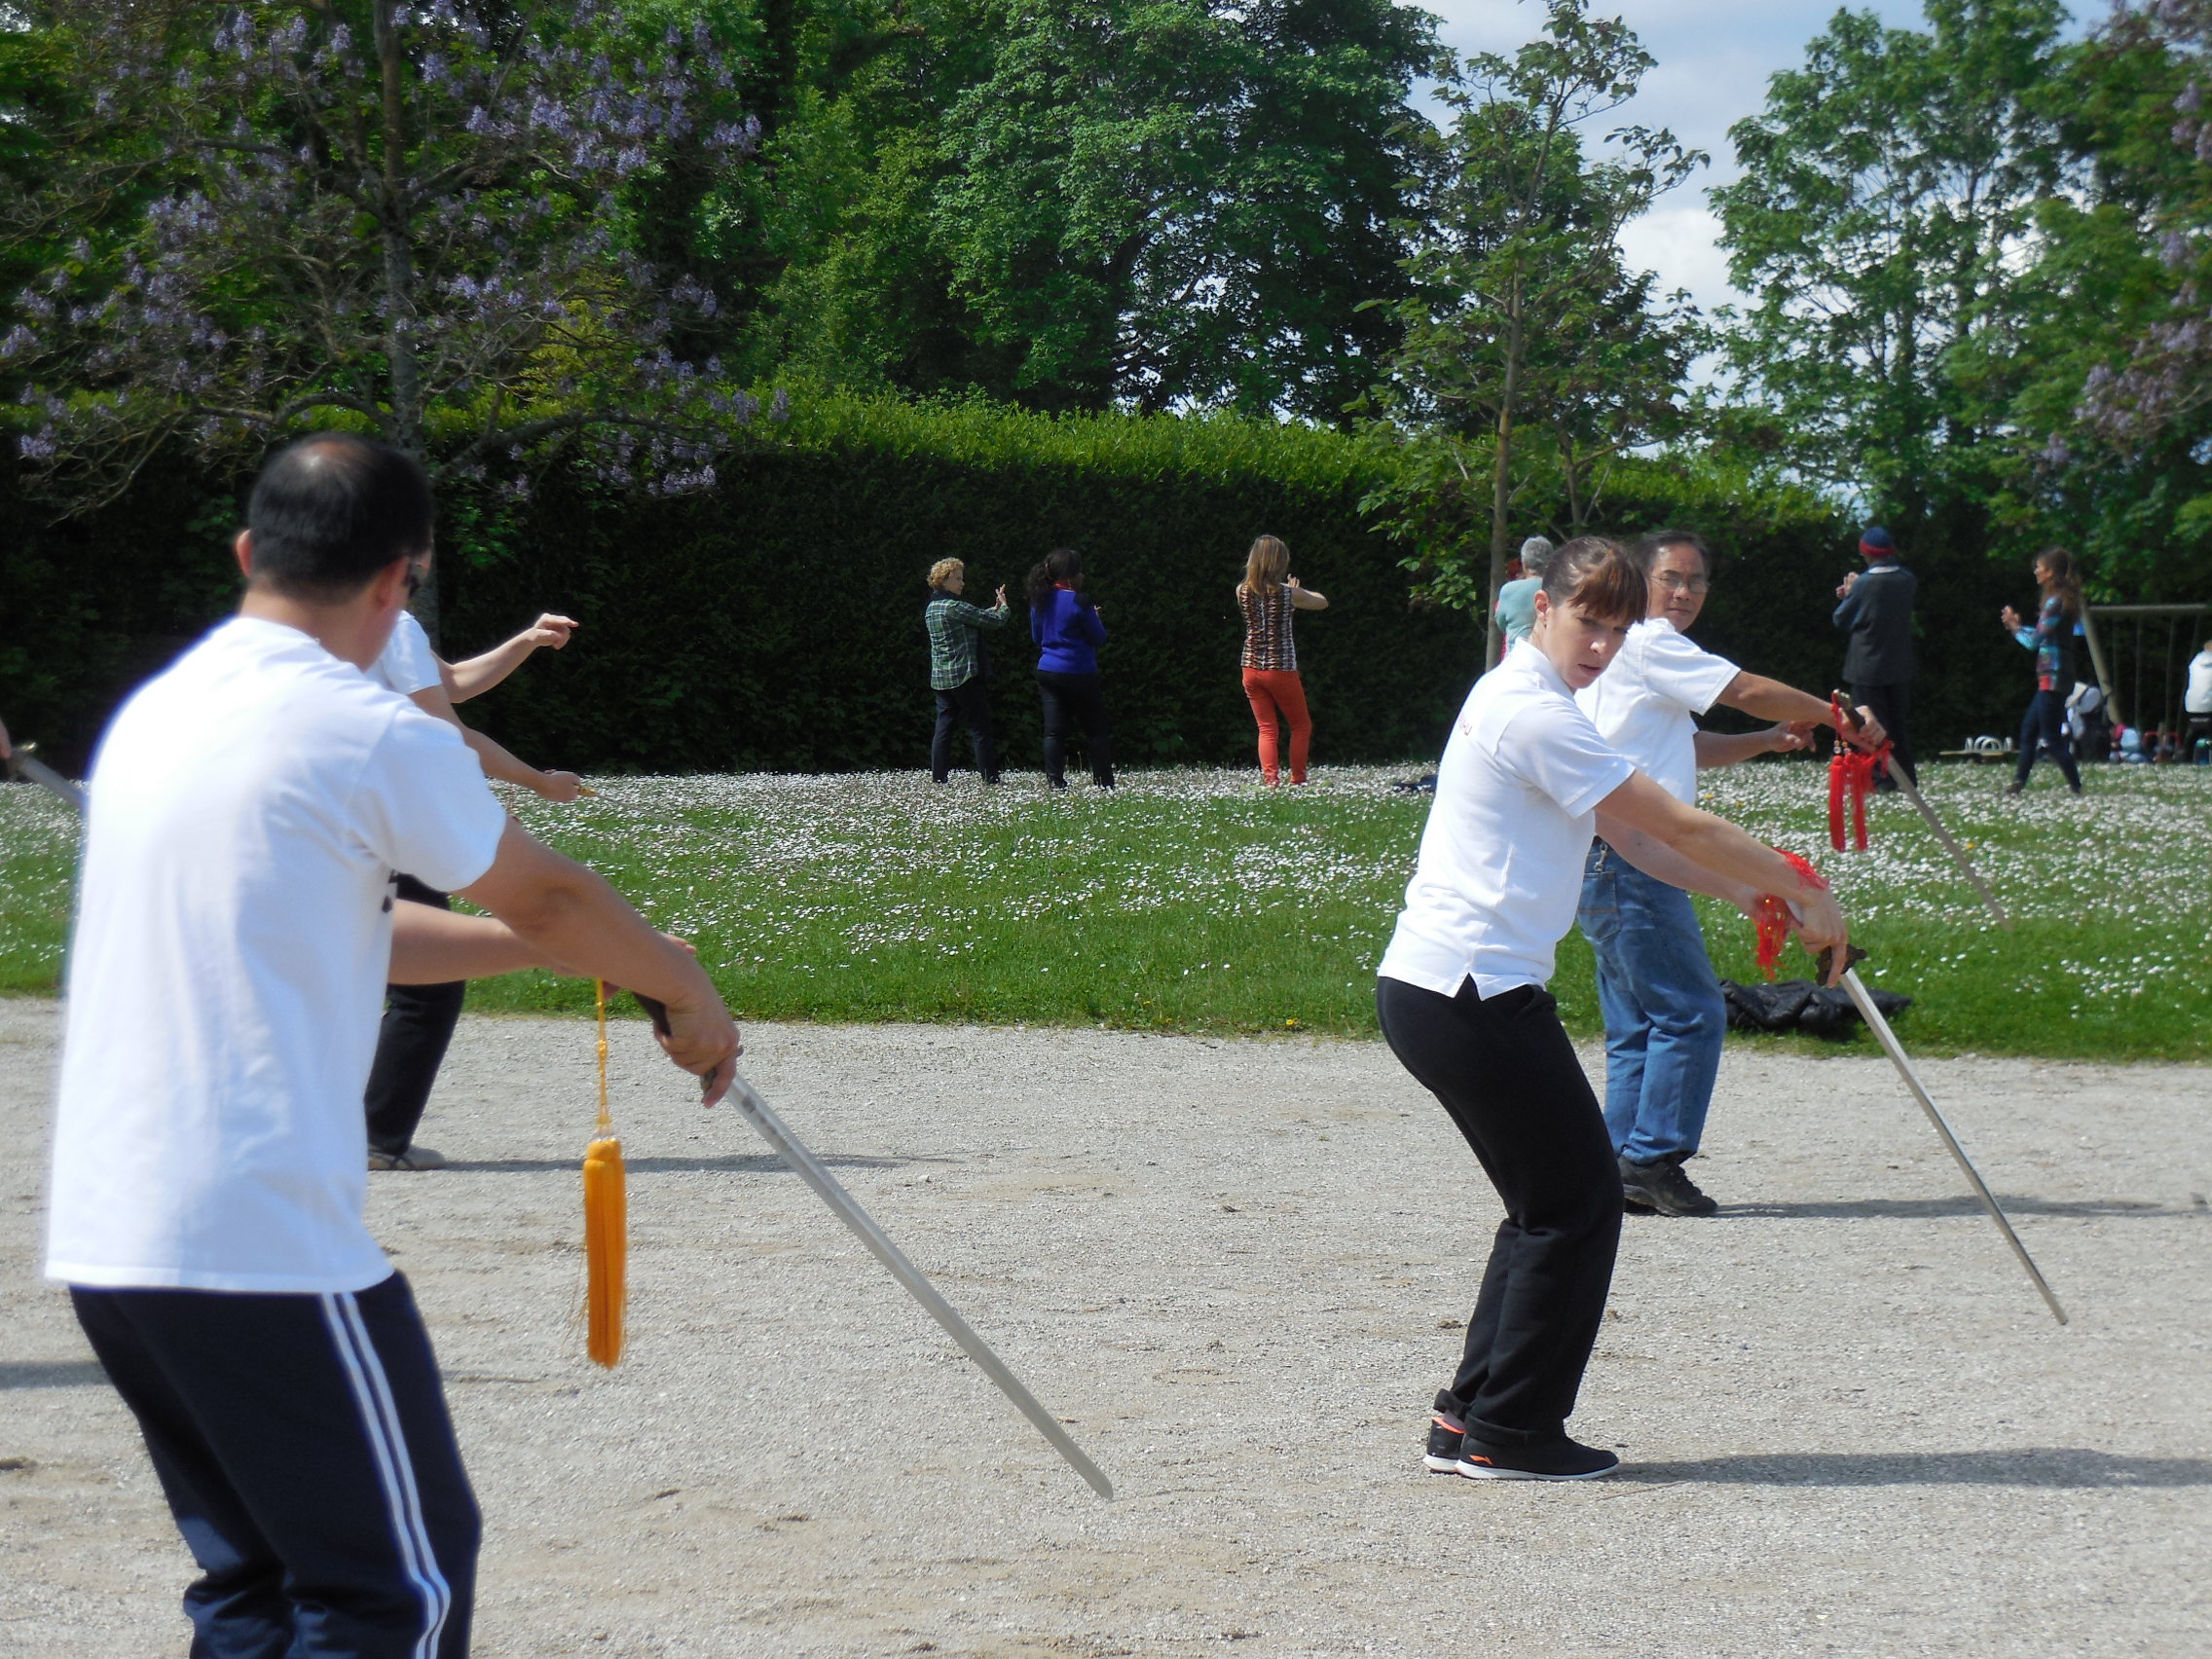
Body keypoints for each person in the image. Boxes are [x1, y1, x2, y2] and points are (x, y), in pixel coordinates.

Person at [47, 431, 740, 1658]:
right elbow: (552, 895)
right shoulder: (367, 729)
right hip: (258, 1239)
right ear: (396, 580)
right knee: (394, 1588)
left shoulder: (158, 713)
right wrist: (679, 983)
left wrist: (554, 954)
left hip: (114, 1237)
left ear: (248, 553)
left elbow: (365, 930)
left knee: (259, 1584)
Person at [1377, 535, 1848, 1482]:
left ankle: (1471, 1418)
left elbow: (1635, 840)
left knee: (1547, 1204)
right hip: (1467, 990)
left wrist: (1745, 893)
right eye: (1588, 622)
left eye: (1617, 630)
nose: (1601, 645)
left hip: (1452, 988)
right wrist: (1805, 887)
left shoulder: (1541, 702)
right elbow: (1675, 818)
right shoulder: (1529, 711)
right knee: (1578, 1202)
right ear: (1544, 607)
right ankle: (1511, 1433)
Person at [1576, 529, 1886, 1216]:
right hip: (1632, 856)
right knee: (1690, 1012)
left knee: (1639, 1023)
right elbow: (1744, 688)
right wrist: (1834, 715)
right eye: (1670, 578)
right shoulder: (1651, 641)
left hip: (1601, 855)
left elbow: (1686, 744)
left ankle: (1616, 1161)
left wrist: (1767, 741)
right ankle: (1652, 1159)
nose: (1683, 592)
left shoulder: (1630, 656)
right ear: (1640, 581)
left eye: (1696, 581)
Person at [362, 580, 586, 1173]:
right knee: (426, 987)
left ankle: (336, 1131)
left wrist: (526, 641)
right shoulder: (392, 625)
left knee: (351, 963)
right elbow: (446, 732)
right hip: (391, 814)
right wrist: (537, 782)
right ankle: (375, 1137)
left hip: (350, 810)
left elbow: (453, 680)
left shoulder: (348, 621)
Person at [1237, 535, 1328, 786]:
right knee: (1301, 726)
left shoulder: (1241, 590)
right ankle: (1298, 779)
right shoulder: (1289, 594)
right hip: (1281, 667)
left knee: (1266, 728)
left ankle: (1271, 781)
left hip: (1250, 666)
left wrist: (1292, 594)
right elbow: (1322, 602)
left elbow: (1264, 602)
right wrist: (1298, 591)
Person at [1831, 526, 1918, 789]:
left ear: (1866, 553)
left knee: (1870, 725)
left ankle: (1882, 779)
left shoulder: (1865, 583)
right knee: (1897, 724)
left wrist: (1850, 594)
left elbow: (1841, 618)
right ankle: (1906, 779)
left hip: (1867, 664)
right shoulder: (1907, 579)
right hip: (1899, 662)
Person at [2000, 548, 2085, 797]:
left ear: (2050, 573)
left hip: (2053, 676)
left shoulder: (2054, 602)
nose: (2036, 571)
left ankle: (2076, 786)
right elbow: (2044, 636)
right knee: (2029, 730)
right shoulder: (2061, 600)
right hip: (2055, 675)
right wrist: (2018, 628)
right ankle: (2018, 783)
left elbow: (2033, 642)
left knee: (2051, 737)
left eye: (2040, 567)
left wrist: (2015, 628)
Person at [1027, 546, 1113, 789]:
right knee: (1096, 731)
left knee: (1054, 732)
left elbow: (1037, 637)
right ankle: (1103, 782)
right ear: (1071, 575)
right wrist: (1095, 618)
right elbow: (1098, 638)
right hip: (1080, 671)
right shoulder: (1080, 601)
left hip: (1048, 671)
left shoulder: (1039, 600)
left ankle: (1055, 782)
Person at [925, 558, 1009, 785]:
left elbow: (975, 617)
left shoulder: (932, 608)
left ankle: (939, 778)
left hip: (941, 678)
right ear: (944, 580)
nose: (962, 583)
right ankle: (990, 778)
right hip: (964, 676)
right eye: (958, 578)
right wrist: (1003, 606)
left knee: (943, 728)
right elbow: (993, 621)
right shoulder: (954, 607)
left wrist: (993, 609)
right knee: (980, 728)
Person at [1493, 536, 1554, 645]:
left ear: (1524, 564)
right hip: (1550, 653)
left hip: (1516, 652)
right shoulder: (1559, 589)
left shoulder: (1508, 590)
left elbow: (1501, 624)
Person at [2185, 637, 2212, 756]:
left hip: (2192, 706)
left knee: (2192, 733)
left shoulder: (2195, 661)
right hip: (2209, 707)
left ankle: (2186, 753)